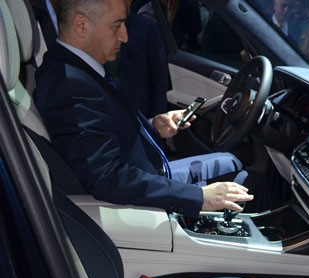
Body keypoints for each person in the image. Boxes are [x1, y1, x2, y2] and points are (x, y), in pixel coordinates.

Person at [34, 0, 259, 217]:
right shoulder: (70, 86)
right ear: (81, 25)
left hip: (149, 174)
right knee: (248, 183)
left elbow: (106, 130)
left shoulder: (78, 69)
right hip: (142, 200)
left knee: (230, 163)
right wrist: (200, 197)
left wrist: (152, 126)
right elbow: (107, 177)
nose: (125, 36)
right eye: (116, 26)